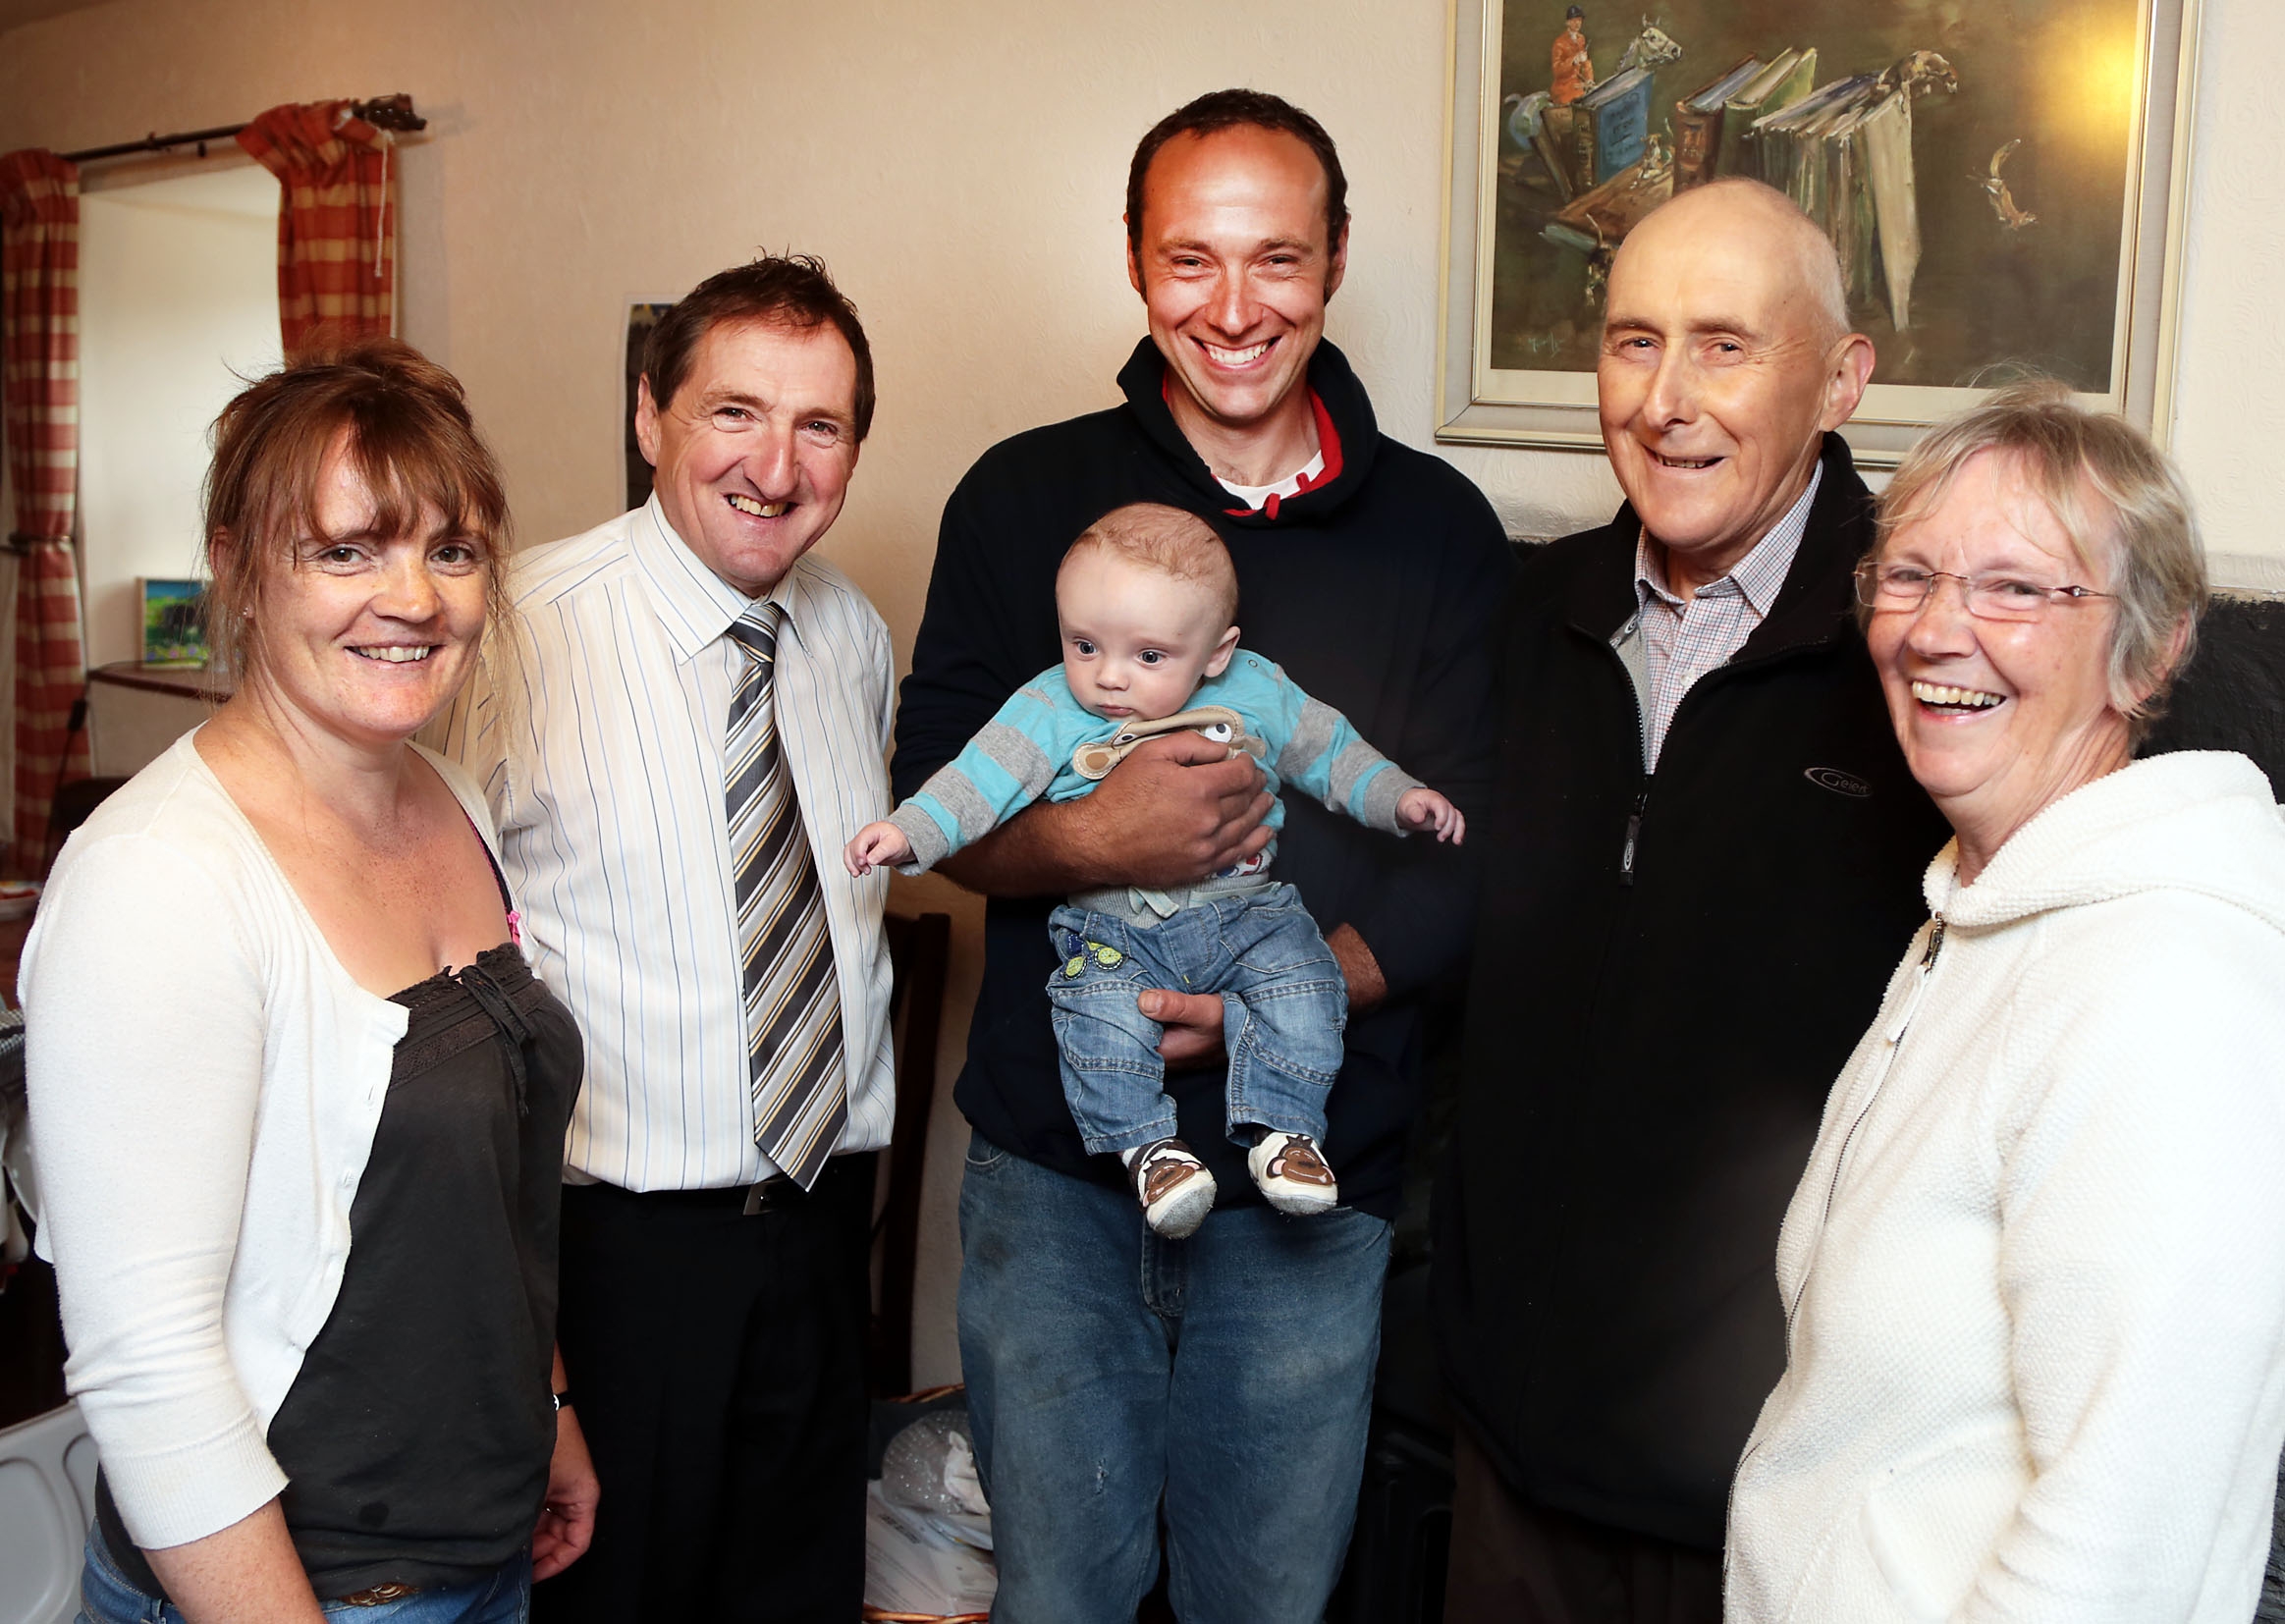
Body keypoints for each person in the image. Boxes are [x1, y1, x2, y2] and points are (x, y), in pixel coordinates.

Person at [893, 88, 1510, 1621]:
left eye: (1276, 259)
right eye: (1189, 260)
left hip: (1311, 1183)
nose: (1232, 309)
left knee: (1263, 1598)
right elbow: (937, 801)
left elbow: (1470, 844)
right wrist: (1103, 837)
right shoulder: (1021, 497)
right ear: (1131, 262)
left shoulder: (1437, 532)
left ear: (1337, 260)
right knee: (1056, 1595)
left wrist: (1289, 1001)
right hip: (1055, 1178)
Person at [1433, 177, 1951, 1622]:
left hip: (1771, 1479)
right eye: (1629, 340)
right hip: (1504, 1443)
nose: (1664, 399)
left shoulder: (1920, 652)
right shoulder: (1531, 617)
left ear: (1840, 377)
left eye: (1724, 345)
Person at [25, 339, 590, 1623]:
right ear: (236, 565)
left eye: (450, 550)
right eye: (344, 550)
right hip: (312, 1585)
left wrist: (546, 1413)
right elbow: (146, 1362)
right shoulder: (157, 879)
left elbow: (484, 1184)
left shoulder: (444, 794)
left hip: (478, 1540)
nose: (413, 597)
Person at [1725, 381, 2285, 1621]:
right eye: (1909, 574)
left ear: (2146, 648)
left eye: (2018, 587)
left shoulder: (2163, 982)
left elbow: (2125, 1541)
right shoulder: (1981, 911)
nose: (1934, 629)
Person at [437, 254, 894, 1624]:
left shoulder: (853, 635)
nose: (776, 463)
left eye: (820, 426)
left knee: (796, 1595)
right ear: (650, 418)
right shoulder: (514, 631)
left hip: (823, 1232)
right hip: (620, 1261)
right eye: (733, 412)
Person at [852, 504, 1463, 1235]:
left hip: (1247, 912)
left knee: (1305, 983)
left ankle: (1286, 1135)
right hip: (1113, 923)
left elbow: (1334, 754)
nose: (1109, 679)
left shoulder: (1257, 689)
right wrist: (907, 831)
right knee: (1094, 1013)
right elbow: (975, 782)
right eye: (1084, 645)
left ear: (1215, 652)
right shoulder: (1050, 704)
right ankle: (1148, 1151)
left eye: (1148, 657)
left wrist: (1401, 799)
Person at [1551, 6, 1596, 106]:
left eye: (1579, 20)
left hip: (1578, 85)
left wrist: (1589, 79)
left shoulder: (1581, 39)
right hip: (1564, 89)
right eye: (1574, 20)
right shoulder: (1559, 43)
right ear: (1567, 23)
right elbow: (1557, 70)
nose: (1577, 23)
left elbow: (1586, 63)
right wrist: (1573, 61)